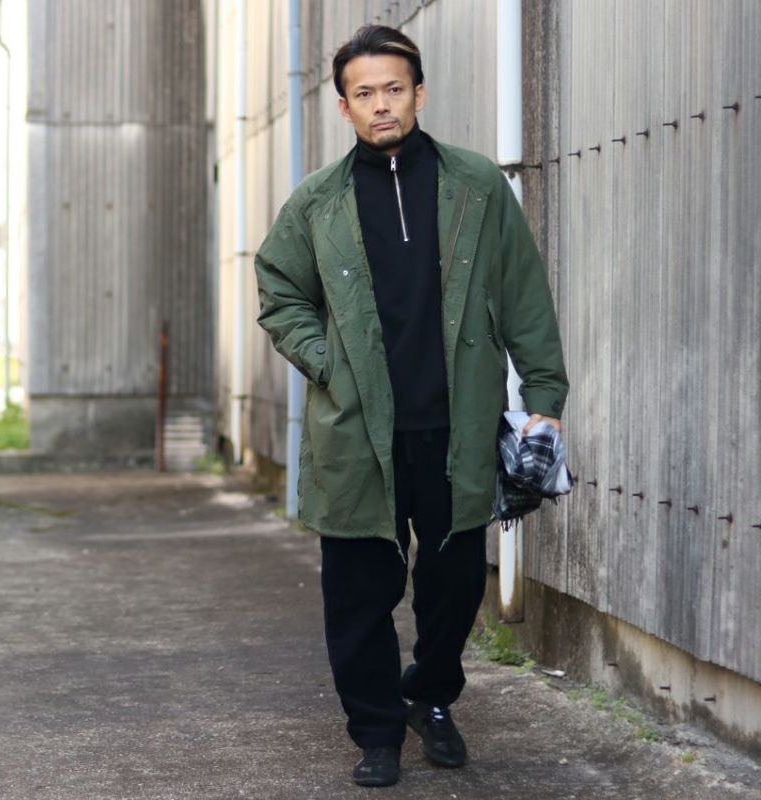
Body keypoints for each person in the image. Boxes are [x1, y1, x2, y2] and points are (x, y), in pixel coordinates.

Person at [255, 25, 568, 788]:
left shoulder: (475, 185)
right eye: (364, 93)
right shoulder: (318, 202)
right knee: (358, 591)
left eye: (394, 88)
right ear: (344, 107)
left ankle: (430, 695)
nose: (381, 104)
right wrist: (326, 362)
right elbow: (279, 290)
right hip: (355, 432)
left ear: (418, 93)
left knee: (454, 586)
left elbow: (524, 294)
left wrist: (545, 398)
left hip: (456, 424)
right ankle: (376, 732)